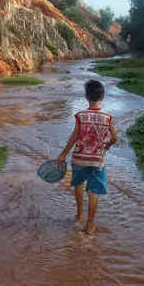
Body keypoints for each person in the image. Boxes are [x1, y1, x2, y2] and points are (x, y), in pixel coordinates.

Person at [57, 79, 118, 234]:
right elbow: (115, 137)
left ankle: (79, 213)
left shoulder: (80, 115)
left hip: (79, 158)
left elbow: (74, 136)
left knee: (78, 184)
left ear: (86, 97)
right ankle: (89, 225)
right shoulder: (108, 118)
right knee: (93, 192)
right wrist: (108, 145)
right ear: (102, 97)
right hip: (97, 160)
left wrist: (63, 154)